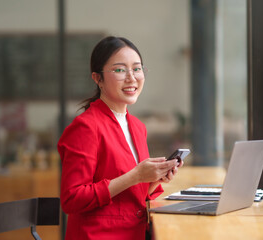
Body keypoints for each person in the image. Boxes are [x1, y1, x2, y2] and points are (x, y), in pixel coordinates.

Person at [58, 36, 183, 240]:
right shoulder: (85, 127)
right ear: (97, 78)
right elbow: (72, 199)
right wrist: (136, 176)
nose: (131, 78)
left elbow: (131, 195)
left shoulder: (137, 127)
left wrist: (153, 179)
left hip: (135, 233)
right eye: (119, 70)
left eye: (137, 68)